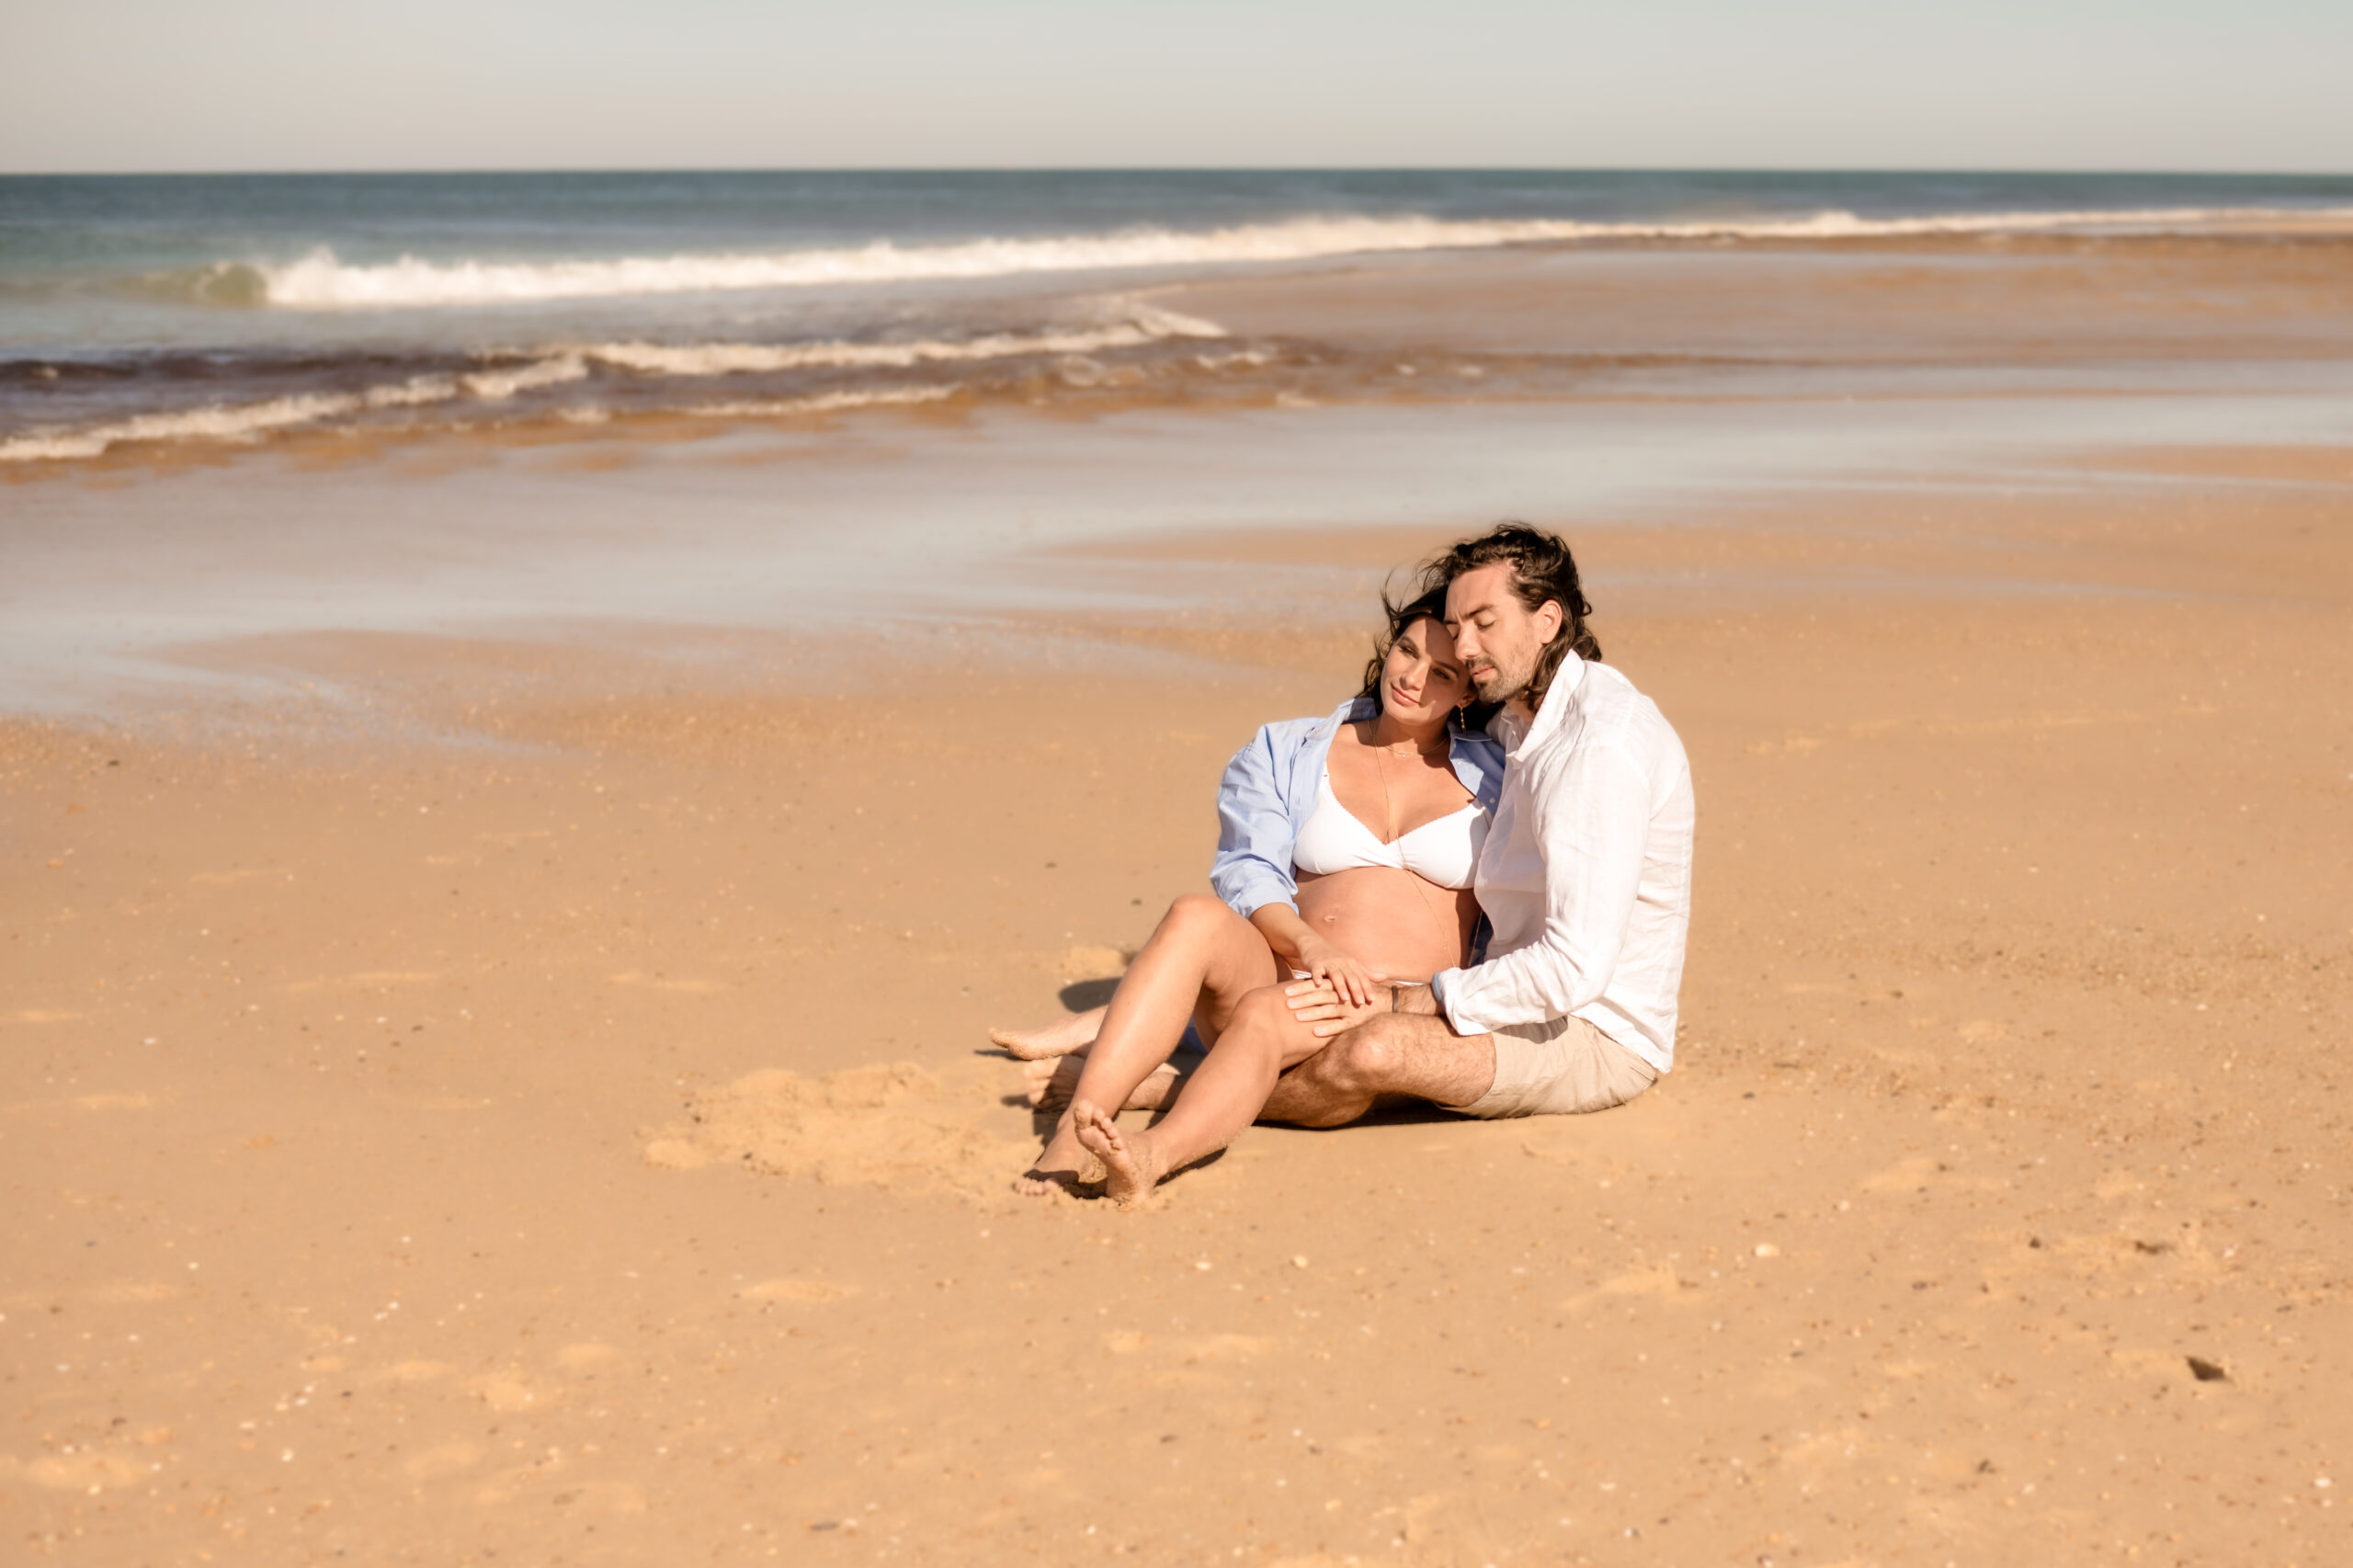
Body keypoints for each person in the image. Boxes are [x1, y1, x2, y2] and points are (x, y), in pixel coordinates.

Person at [1074, 523, 1693, 1207]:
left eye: (1483, 625)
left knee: (1371, 1050)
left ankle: (1168, 1099)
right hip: (1491, 997)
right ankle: (1134, 1084)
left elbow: (1576, 968)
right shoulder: (1515, 724)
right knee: (1288, 1004)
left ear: (1549, 620)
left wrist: (1407, 997)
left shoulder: (1594, 751)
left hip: (1586, 1025)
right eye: (1452, 628)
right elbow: (1263, 854)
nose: (1459, 648)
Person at [1010, 585, 1506, 1194]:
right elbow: (1249, 872)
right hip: (1287, 970)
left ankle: (1150, 1151)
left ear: (1467, 691)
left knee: (1271, 1013)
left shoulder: (1501, 775)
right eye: (1406, 650)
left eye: (1442, 672)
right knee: (1195, 914)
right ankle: (1074, 1127)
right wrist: (1310, 947)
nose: (1411, 676)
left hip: (1401, 1004)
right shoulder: (1289, 749)